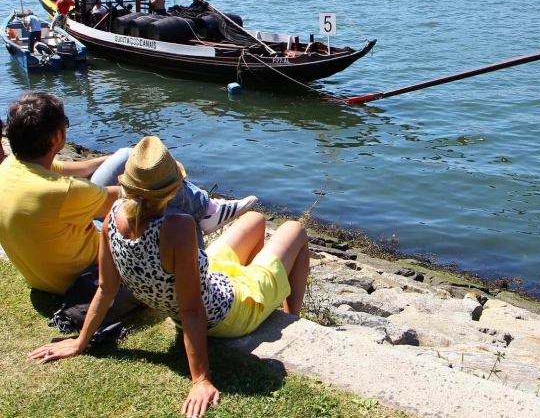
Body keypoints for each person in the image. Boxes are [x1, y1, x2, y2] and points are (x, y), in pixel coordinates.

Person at [32, 136, 310, 418]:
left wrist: (80, 342)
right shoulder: (178, 227)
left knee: (254, 219)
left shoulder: (113, 216)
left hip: (206, 286)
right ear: (176, 189)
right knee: (296, 229)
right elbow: (191, 310)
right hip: (227, 313)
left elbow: (105, 289)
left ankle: (264, 288)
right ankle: (288, 317)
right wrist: (200, 379)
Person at [0, 92, 255, 295]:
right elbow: (136, 193)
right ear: (57, 136)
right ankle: (198, 278)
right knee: (170, 206)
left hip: (43, 274)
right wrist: (150, 173)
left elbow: (77, 168)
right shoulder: (65, 193)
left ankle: (206, 209)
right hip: (83, 275)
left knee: (125, 156)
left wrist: (126, 160)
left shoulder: (11, 166)